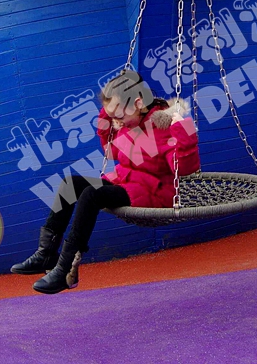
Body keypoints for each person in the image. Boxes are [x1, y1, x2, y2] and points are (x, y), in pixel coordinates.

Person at [11, 70, 200, 294]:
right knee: (71, 184)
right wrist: (107, 116)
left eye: (118, 114)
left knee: (92, 195)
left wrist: (183, 132)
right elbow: (111, 153)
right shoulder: (128, 123)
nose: (116, 120)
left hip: (153, 191)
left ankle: (66, 268)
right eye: (112, 116)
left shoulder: (164, 127)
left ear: (138, 103)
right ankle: (46, 253)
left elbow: (186, 169)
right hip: (127, 182)